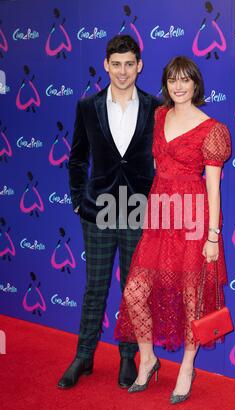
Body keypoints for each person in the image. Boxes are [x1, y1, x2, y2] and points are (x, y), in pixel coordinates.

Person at [114, 56, 231, 403]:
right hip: (160, 216)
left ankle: (186, 366)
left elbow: (214, 188)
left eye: (185, 80)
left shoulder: (213, 129)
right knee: (135, 291)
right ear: (165, 84)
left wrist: (213, 236)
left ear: (196, 84)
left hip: (194, 220)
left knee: (192, 298)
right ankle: (148, 358)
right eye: (171, 80)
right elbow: (154, 165)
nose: (178, 87)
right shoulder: (159, 116)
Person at [57, 35, 161, 389]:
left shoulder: (155, 107)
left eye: (129, 64)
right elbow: (76, 158)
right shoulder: (87, 107)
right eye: (116, 64)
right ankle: (84, 356)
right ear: (106, 65)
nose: (122, 71)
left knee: (134, 290)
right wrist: (76, 199)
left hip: (138, 212)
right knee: (95, 289)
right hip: (98, 211)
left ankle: (127, 357)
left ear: (139, 66)